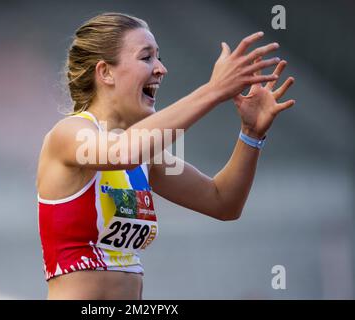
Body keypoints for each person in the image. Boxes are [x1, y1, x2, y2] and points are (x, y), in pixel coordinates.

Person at [36, 12, 295, 300]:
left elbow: (224, 202)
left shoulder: (147, 155)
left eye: (158, 57)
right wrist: (214, 90)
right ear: (105, 72)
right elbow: (123, 153)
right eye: (146, 57)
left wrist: (251, 134)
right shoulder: (71, 133)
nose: (161, 69)